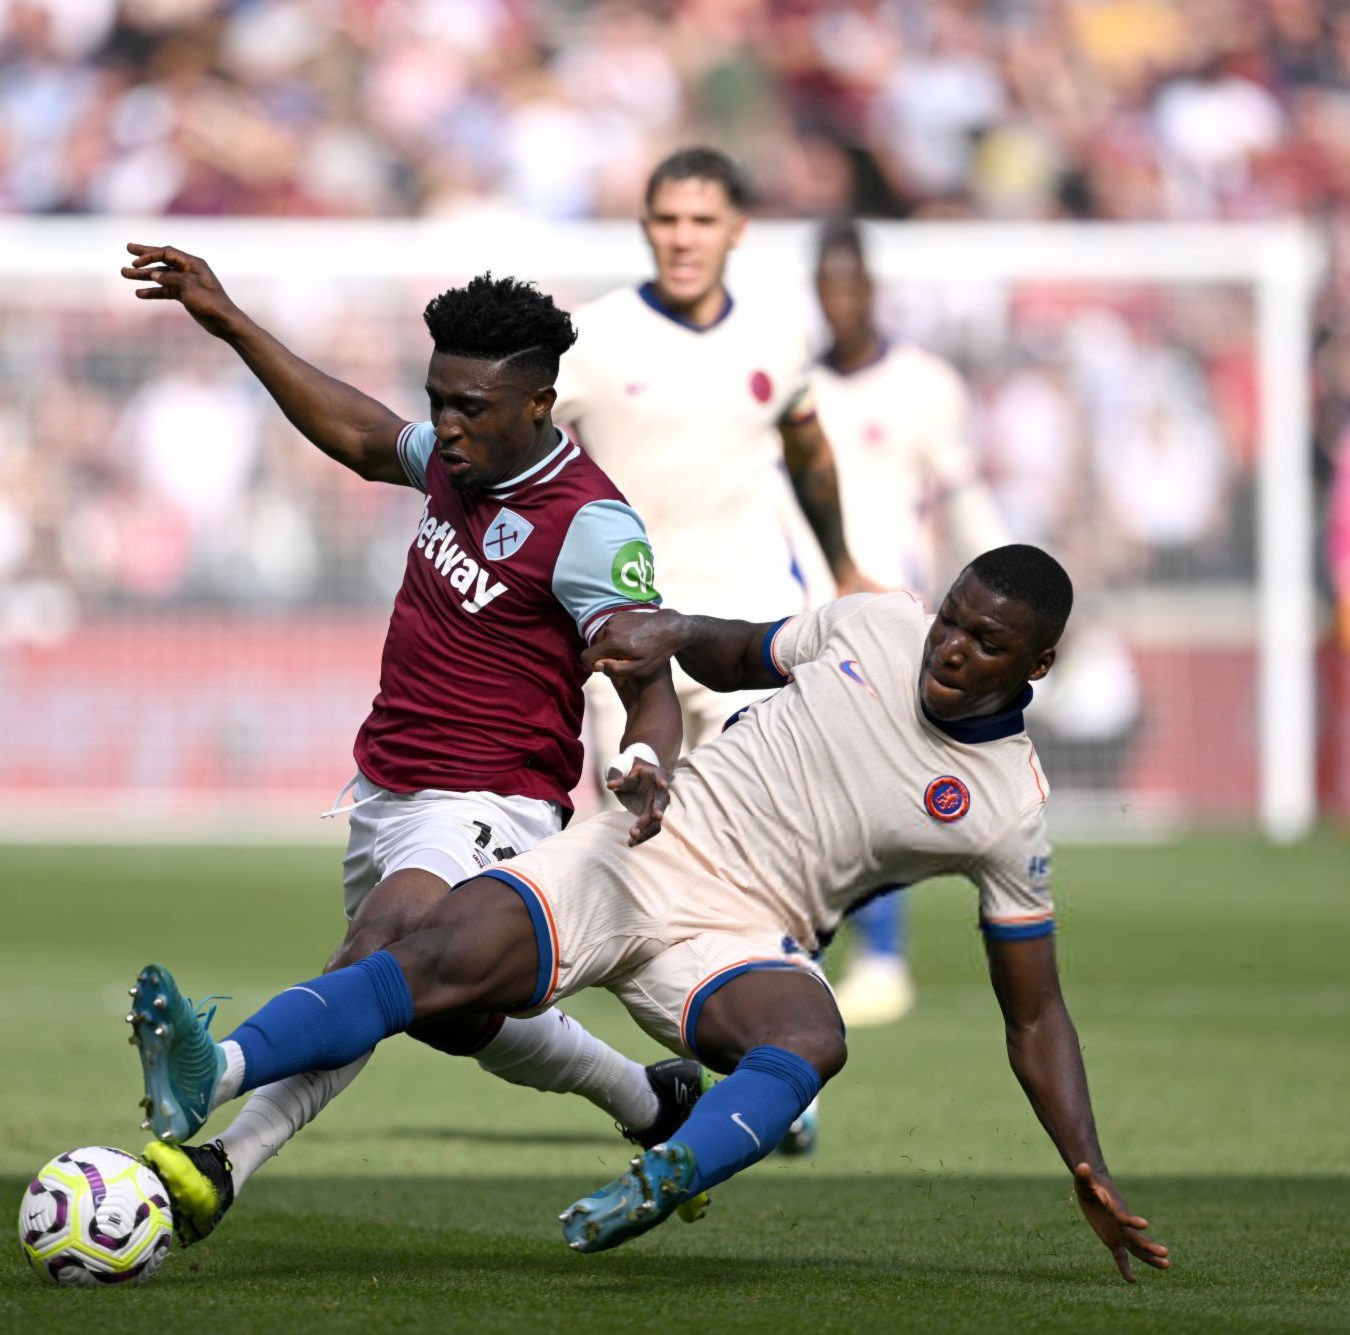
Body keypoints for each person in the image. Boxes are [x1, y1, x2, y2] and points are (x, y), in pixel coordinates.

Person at [124, 544, 1172, 1280]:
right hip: (643, 848)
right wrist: (671, 632)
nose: (949, 649)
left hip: (744, 937)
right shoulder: (875, 622)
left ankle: (673, 1171)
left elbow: (1036, 1014)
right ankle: (214, 1071)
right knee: (435, 955)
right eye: (951, 620)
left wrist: (1085, 1161)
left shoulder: (1006, 808)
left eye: (985, 642)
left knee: (813, 1036)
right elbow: (739, 650)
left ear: (1037, 666)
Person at [118, 244, 702, 1245]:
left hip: (493, 800)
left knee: (380, 952)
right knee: (438, 1009)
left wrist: (648, 762)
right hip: (385, 783)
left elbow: (648, 679)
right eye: (439, 401)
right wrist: (234, 322)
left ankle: (219, 1114)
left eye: (471, 406)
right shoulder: (461, 461)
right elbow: (359, 434)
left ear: (539, 404)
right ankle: (650, 1101)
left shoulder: (591, 525)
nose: (447, 425)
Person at [552, 147, 871, 1151]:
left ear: (737, 229)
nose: (681, 238)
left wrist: (844, 565)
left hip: (746, 635)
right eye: (665, 219)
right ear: (645, 226)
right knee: (644, 860)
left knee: (766, 852)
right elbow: (521, 459)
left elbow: (808, 451)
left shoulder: (777, 335)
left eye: (700, 220)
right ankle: (728, 1047)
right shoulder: (591, 339)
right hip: (624, 642)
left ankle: (781, 1060)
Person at [799, 217, 1012, 1028]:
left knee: (874, 787)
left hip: (898, 615)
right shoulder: (798, 387)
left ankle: (881, 956)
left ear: (872, 289)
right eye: (827, 286)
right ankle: (811, 954)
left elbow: (960, 493)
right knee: (813, 790)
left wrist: (1011, 585)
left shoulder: (924, 384)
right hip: (808, 612)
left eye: (851, 285)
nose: (840, 301)